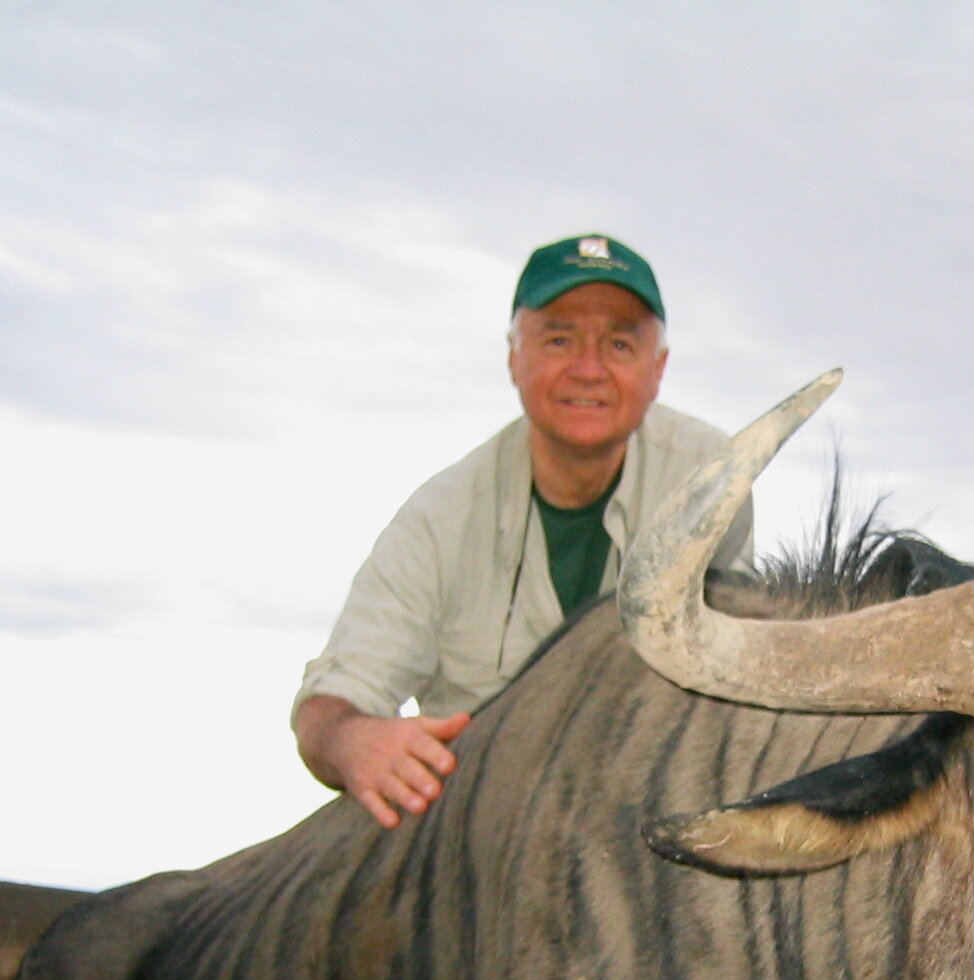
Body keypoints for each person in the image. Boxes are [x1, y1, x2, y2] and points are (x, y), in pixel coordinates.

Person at [292, 235, 751, 829]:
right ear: (514, 356)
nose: (588, 370)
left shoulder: (711, 480)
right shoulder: (439, 520)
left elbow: (729, 674)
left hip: (646, 816)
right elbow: (330, 704)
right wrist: (353, 742)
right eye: (559, 339)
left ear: (657, 368)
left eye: (619, 343)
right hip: (485, 833)